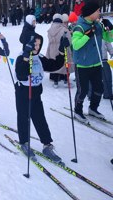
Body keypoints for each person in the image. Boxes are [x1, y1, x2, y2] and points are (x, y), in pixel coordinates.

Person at [15, 33, 70, 162]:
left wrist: (62, 52)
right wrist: (25, 58)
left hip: (36, 92)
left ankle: (47, 144)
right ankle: (24, 142)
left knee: (40, 118)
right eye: (35, 43)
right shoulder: (20, 57)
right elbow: (21, 74)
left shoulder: (39, 57)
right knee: (24, 117)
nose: (37, 46)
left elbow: (53, 65)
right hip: (23, 92)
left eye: (39, 44)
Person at [72, 2, 113, 121]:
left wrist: (110, 28)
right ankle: (78, 111)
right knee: (83, 90)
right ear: (90, 13)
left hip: (96, 62)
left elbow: (109, 38)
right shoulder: (79, 27)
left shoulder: (98, 25)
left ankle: (93, 108)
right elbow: (75, 45)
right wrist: (88, 34)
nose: (99, 13)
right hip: (82, 65)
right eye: (97, 11)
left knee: (99, 88)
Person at [46, 14, 74, 88]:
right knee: (65, 65)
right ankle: (65, 81)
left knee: (55, 65)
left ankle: (55, 82)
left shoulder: (50, 30)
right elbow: (69, 42)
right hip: (62, 49)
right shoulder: (64, 30)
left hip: (52, 49)